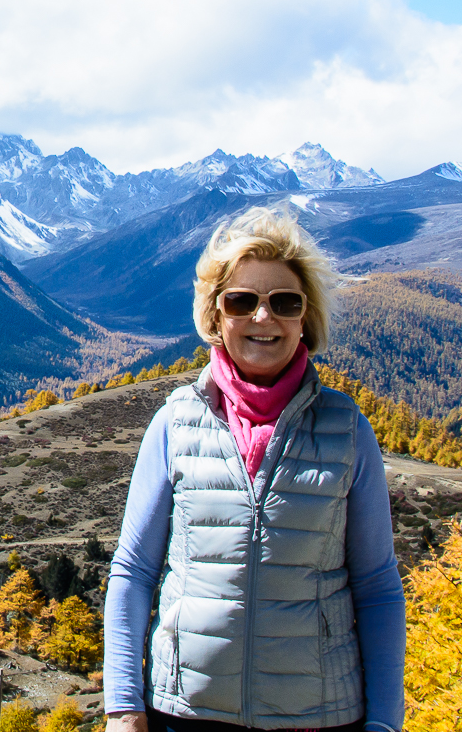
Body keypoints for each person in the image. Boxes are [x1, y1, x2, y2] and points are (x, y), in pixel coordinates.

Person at [102, 208, 405, 732]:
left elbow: (377, 587)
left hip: (318, 718)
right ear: (216, 315)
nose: (263, 318)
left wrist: (385, 723)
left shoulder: (348, 431)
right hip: (185, 714)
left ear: (305, 318)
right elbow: (132, 573)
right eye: (242, 301)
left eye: (284, 302)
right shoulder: (176, 423)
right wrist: (123, 707)